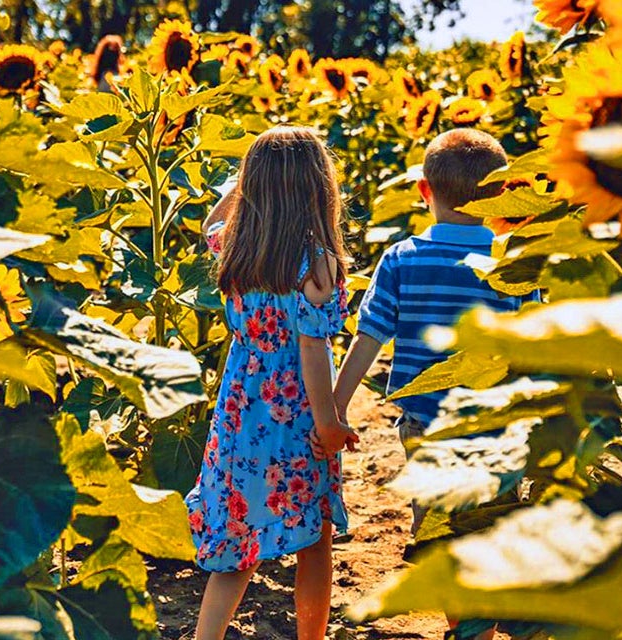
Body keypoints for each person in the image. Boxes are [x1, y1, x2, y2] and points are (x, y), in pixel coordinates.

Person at [186, 126, 359, 640]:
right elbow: (312, 350)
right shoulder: (316, 263)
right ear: (320, 189)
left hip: (241, 413)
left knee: (238, 541)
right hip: (296, 418)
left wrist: (244, 182)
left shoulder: (235, 249)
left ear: (251, 186)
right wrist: (328, 424)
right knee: (315, 540)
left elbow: (210, 222)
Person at [333, 128, 536, 535]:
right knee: (492, 527)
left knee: (433, 526)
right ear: (501, 193)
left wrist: (336, 407)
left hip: (425, 419)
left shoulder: (401, 259)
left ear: (424, 190)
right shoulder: (513, 262)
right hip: (495, 420)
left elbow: (369, 335)